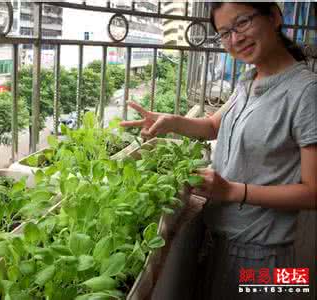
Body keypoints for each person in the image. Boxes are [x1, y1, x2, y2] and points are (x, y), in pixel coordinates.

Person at [120, 2, 316, 299]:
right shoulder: (249, 80)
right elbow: (213, 125)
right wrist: (171, 121)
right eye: (225, 32)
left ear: (274, 16)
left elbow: (313, 193)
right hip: (221, 240)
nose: (235, 39)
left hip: (266, 255)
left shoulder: (307, 92)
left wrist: (232, 191)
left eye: (242, 23)